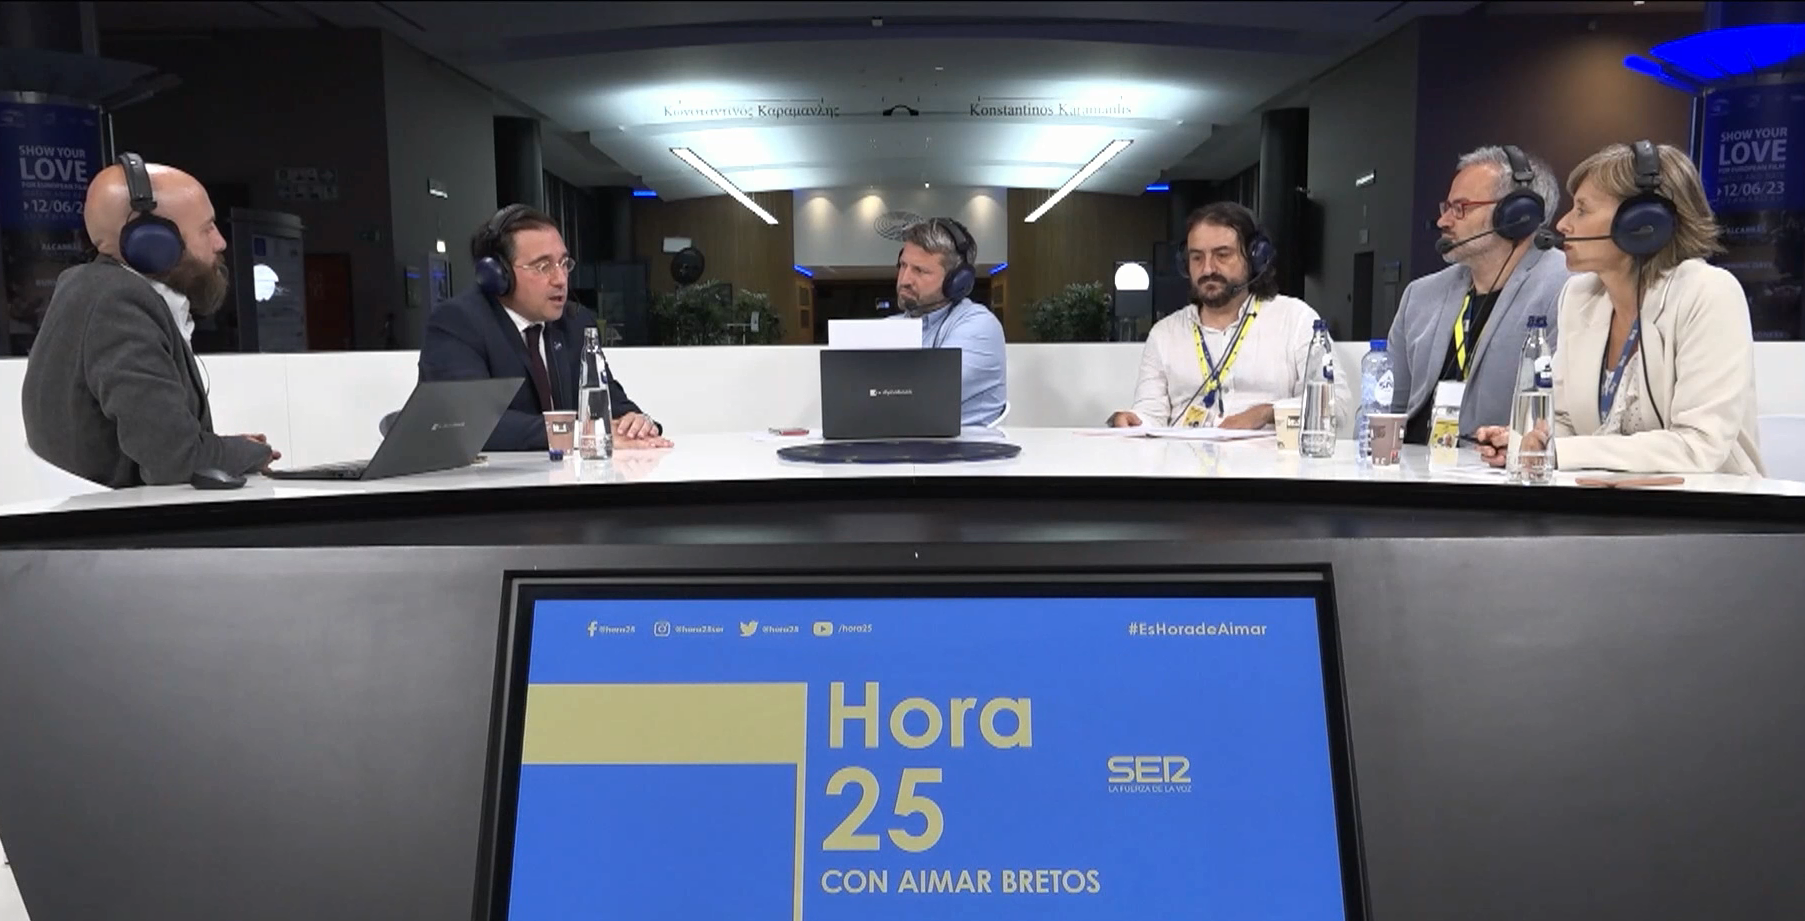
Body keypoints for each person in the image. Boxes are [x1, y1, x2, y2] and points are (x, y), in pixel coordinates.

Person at [1475, 141, 1763, 476]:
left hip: (1713, 502)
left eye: (1582, 210)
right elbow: (1565, 421)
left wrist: (1556, 452)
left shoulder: (1708, 293)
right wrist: (1528, 441)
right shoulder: (1579, 297)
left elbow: (1698, 446)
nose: (1563, 224)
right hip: (1607, 500)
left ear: (1643, 223)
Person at [20, 153, 278, 487]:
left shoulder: (90, 289)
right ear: (155, 242)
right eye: (207, 228)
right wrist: (252, 453)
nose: (220, 242)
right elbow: (175, 462)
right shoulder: (118, 305)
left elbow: (161, 444)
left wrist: (224, 449)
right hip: (125, 518)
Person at [419, 205, 668, 451]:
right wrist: (579, 433)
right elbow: (470, 421)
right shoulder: (457, 323)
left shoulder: (575, 322)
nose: (560, 279)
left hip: (568, 473)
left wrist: (636, 422)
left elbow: (607, 398)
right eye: (543, 266)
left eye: (563, 263)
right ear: (498, 274)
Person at [1389, 145, 1570, 444]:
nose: (1443, 222)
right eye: (1446, 208)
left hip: (1493, 464)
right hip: (1411, 462)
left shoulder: (1566, 289)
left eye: (1461, 208)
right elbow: (1384, 406)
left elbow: (1560, 419)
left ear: (1517, 215)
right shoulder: (1419, 296)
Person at [1108, 202, 1326, 430]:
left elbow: (1332, 404)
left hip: (1266, 452)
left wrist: (1267, 413)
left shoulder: (1296, 320)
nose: (1207, 269)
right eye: (1197, 258)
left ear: (1255, 258)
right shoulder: (1164, 334)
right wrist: (1133, 420)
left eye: (1222, 255)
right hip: (1184, 452)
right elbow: (1150, 413)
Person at [892, 218, 1007, 427]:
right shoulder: (891, 326)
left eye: (920, 271)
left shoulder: (979, 325)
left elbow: (920, 393)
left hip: (966, 445)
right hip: (906, 441)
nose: (905, 280)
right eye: (903, 265)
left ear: (956, 280)